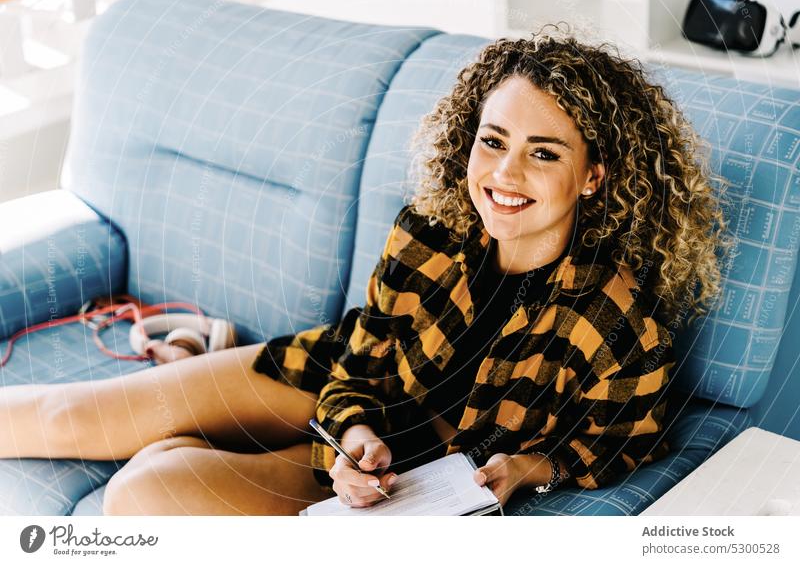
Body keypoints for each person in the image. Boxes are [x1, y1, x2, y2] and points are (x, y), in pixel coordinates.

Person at [0, 28, 732, 515]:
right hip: (335, 385)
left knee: (145, 492)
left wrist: (534, 468)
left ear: (595, 174)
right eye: (493, 141)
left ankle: (198, 430)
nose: (504, 174)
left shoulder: (615, 317)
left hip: (406, 478)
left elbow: (625, 438)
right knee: (69, 414)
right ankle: (209, 405)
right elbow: (364, 360)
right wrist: (348, 428)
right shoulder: (430, 230)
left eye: (544, 153)